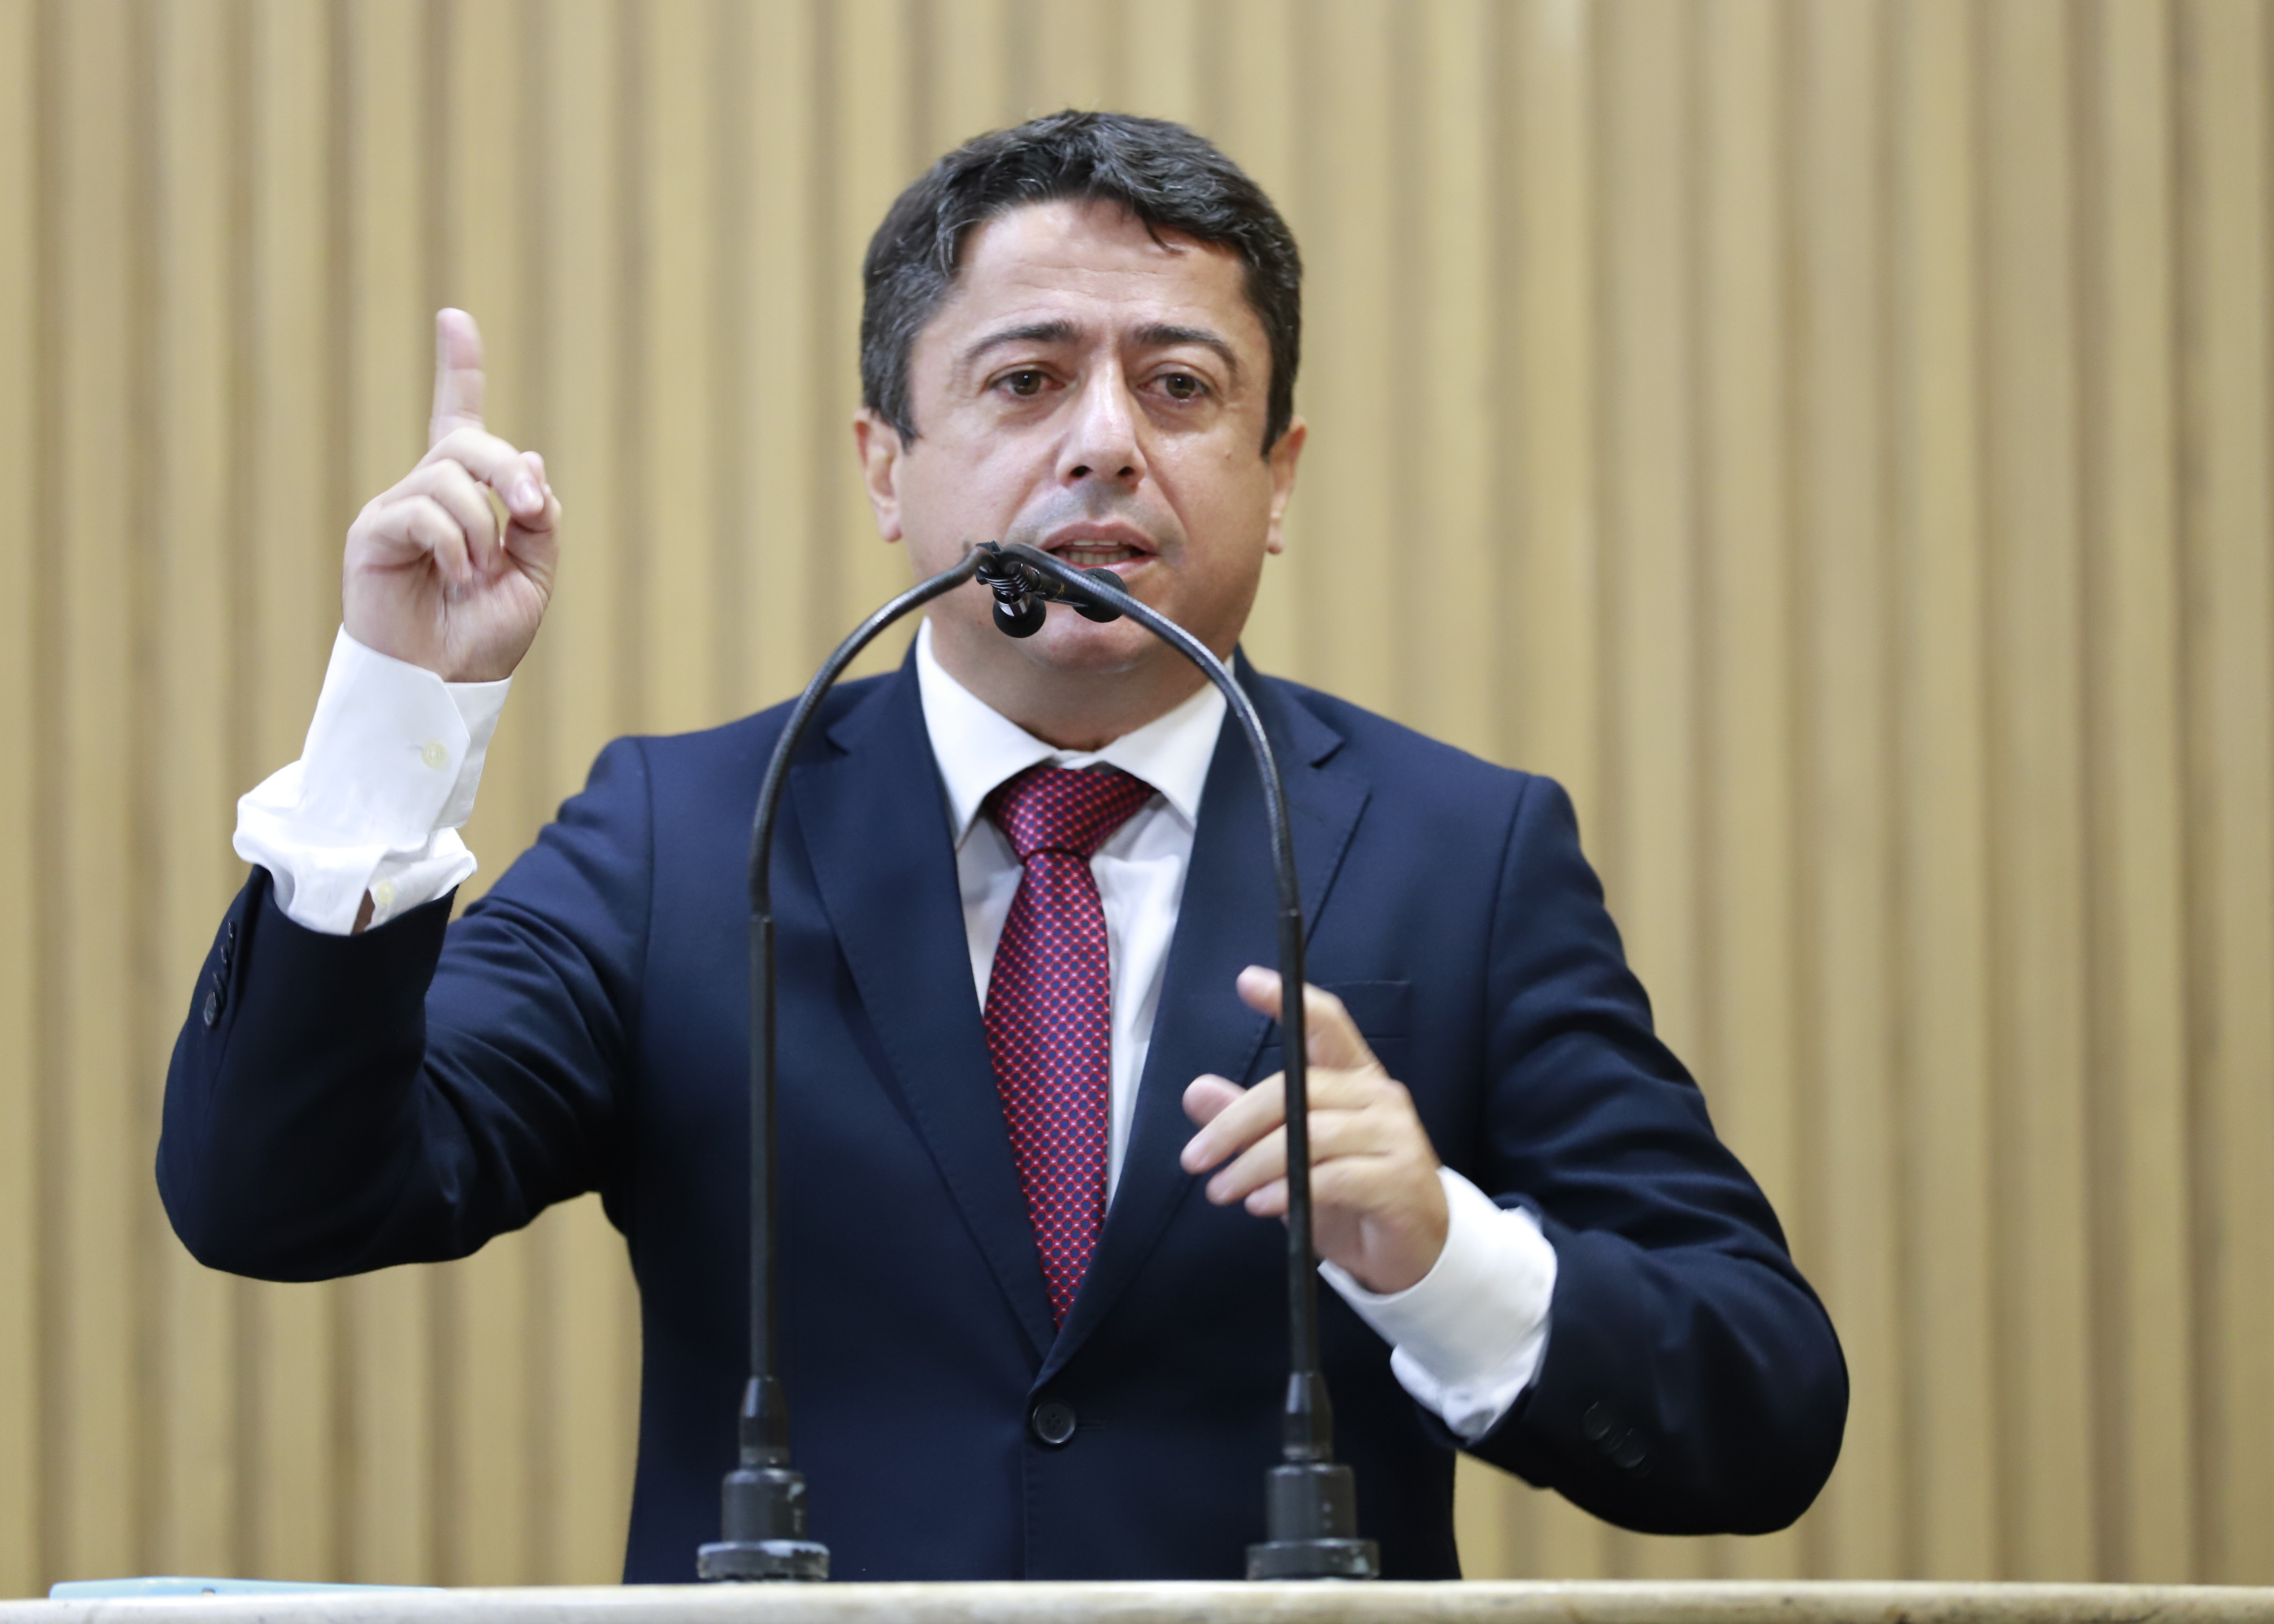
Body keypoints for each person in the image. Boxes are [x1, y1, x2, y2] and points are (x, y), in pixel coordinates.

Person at [158, 111, 1845, 1582]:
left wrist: (1444, 1253)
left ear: (1279, 477)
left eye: (1180, 387)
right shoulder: (684, 838)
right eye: (1028, 380)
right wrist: (395, 720)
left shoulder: (1460, 853)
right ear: (885, 467)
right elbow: (277, 1197)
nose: (1105, 441)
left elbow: (1762, 1408)